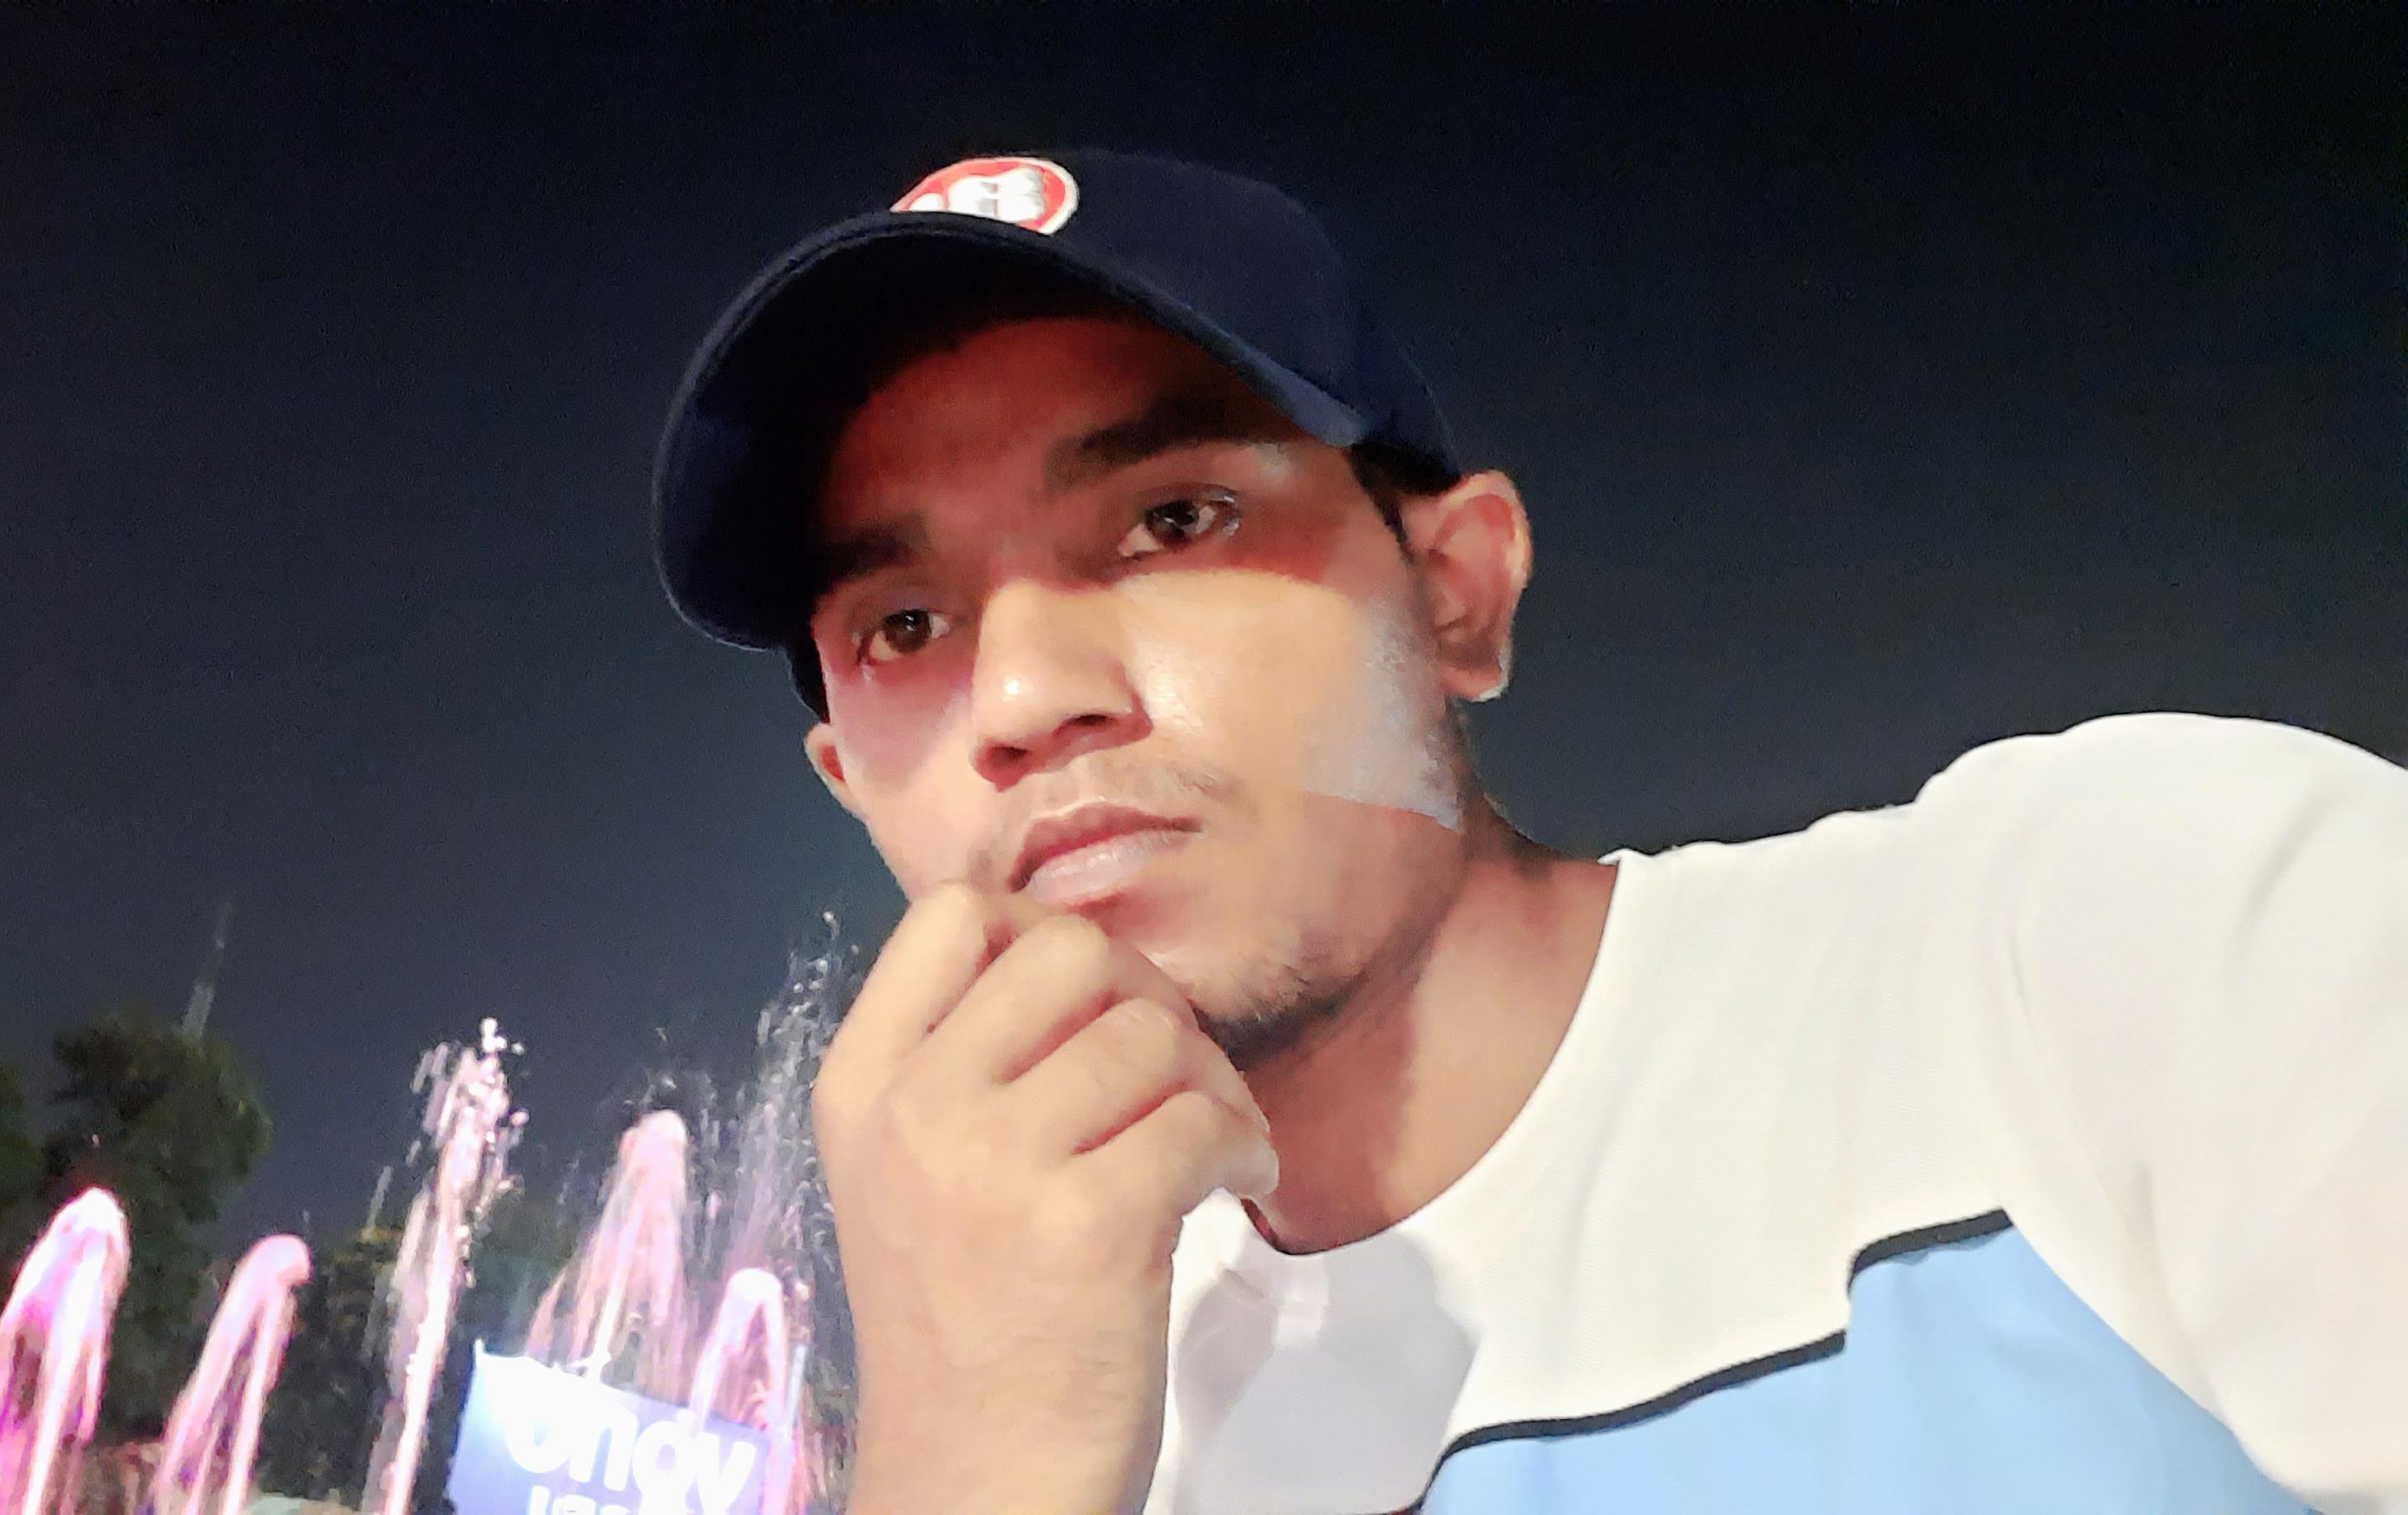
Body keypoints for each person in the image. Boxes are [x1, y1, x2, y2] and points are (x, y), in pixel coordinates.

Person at [646, 150, 2407, 1513]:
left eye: (1171, 520)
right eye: (904, 625)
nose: (1023, 696)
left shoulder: (2113, 950)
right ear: (849, 783)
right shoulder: (1065, 1407)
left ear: (1457, 594)